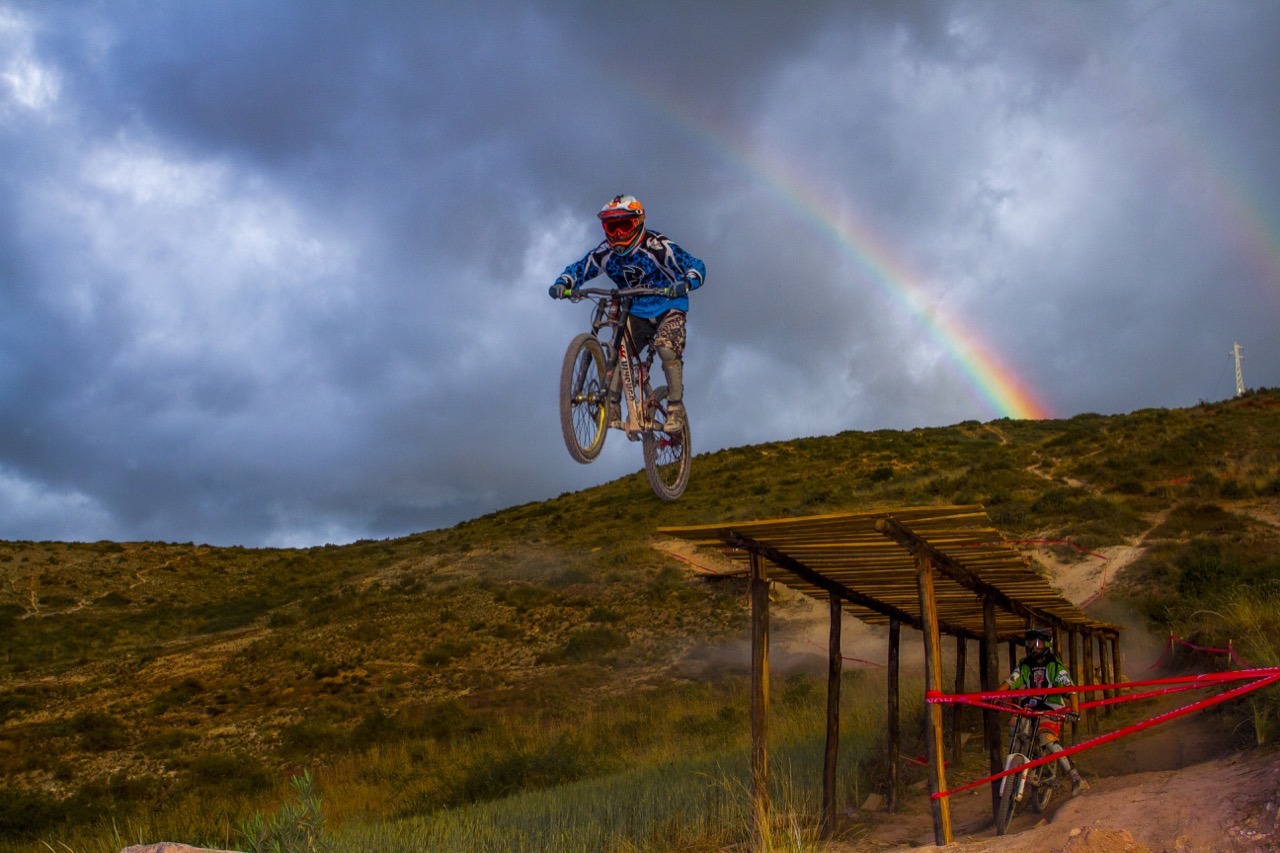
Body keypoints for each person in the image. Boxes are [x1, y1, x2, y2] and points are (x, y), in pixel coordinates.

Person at [549, 194, 705, 433]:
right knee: (617, 350)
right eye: (611, 227)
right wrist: (564, 282)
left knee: (666, 347)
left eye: (624, 225)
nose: (618, 234)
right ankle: (611, 405)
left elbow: (694, 265)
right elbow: (581, 267)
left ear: (639, 222)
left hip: (669, 306)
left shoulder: (656, 246)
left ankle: (675, 407)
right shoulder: (605, 253)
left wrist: (686, 283)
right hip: (635, 309)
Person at [999, 626, 1090, 797]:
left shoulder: (1054, 665)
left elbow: (1071, 690)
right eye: (1030, 643)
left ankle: (1076, 778)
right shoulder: (1025, 664)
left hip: (1051, 707)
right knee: (1014, 725)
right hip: (1029, 707)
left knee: (1047, 739)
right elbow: (1011, 681)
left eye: (1038, 643)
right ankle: (1016, 764)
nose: (1033, 647)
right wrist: (995, 695)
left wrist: (1075, 711)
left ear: (1047, 645)